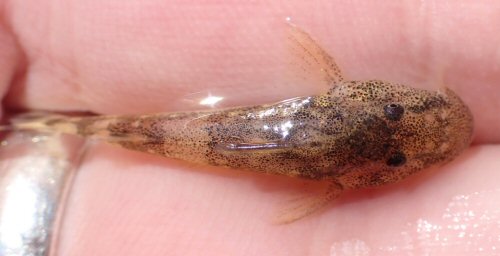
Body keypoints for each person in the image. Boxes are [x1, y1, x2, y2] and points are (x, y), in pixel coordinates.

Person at [0, 1, 499, 255]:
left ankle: (56, 125)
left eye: (395, 159)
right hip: (224, 136)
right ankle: (54, 125)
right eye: (393, 113)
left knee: (143, 130)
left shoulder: (346, 96)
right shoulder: (345, 177)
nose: (399, 119)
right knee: (148, 131)